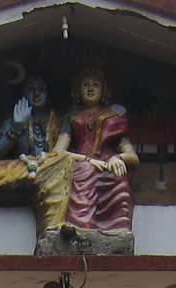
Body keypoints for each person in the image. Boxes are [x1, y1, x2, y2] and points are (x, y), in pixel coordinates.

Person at [54, 57, 137, 236]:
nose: (90, 88)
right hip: (81, 163)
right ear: (77, 90)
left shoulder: (115, 118)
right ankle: (79, 226)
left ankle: (117, 229)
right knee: (83, 170)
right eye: (85, 84)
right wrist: (86, 160)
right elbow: (57, 152)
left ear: (104, 90)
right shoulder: (72, 118)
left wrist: (117, 158)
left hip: (108, 164)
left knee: (119, 176)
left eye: (96, 84)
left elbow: (132, 157)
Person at [0, 73, 58, 207]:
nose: (36, 93)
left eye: (41, 89)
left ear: (48, 93)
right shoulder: (13, 119)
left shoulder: (59, 119)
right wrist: (16, 128)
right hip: (23, 169)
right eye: (30, 89)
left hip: (53, 168)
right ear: (23, 95)